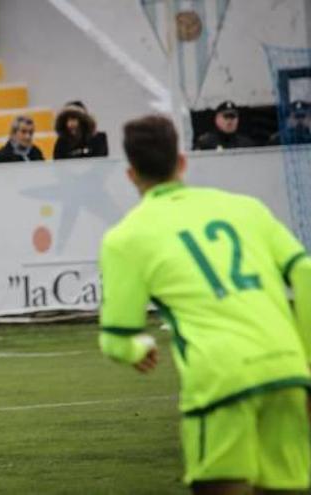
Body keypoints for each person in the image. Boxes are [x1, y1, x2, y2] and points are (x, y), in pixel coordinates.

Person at [98, 114, 311, 495]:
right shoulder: (247, 208)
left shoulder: (126, 237)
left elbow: (116, 339)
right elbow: (307, 272)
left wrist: (136, 348)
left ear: (131, 175)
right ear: (182, 162)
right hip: (288, 368)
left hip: (220, 379)